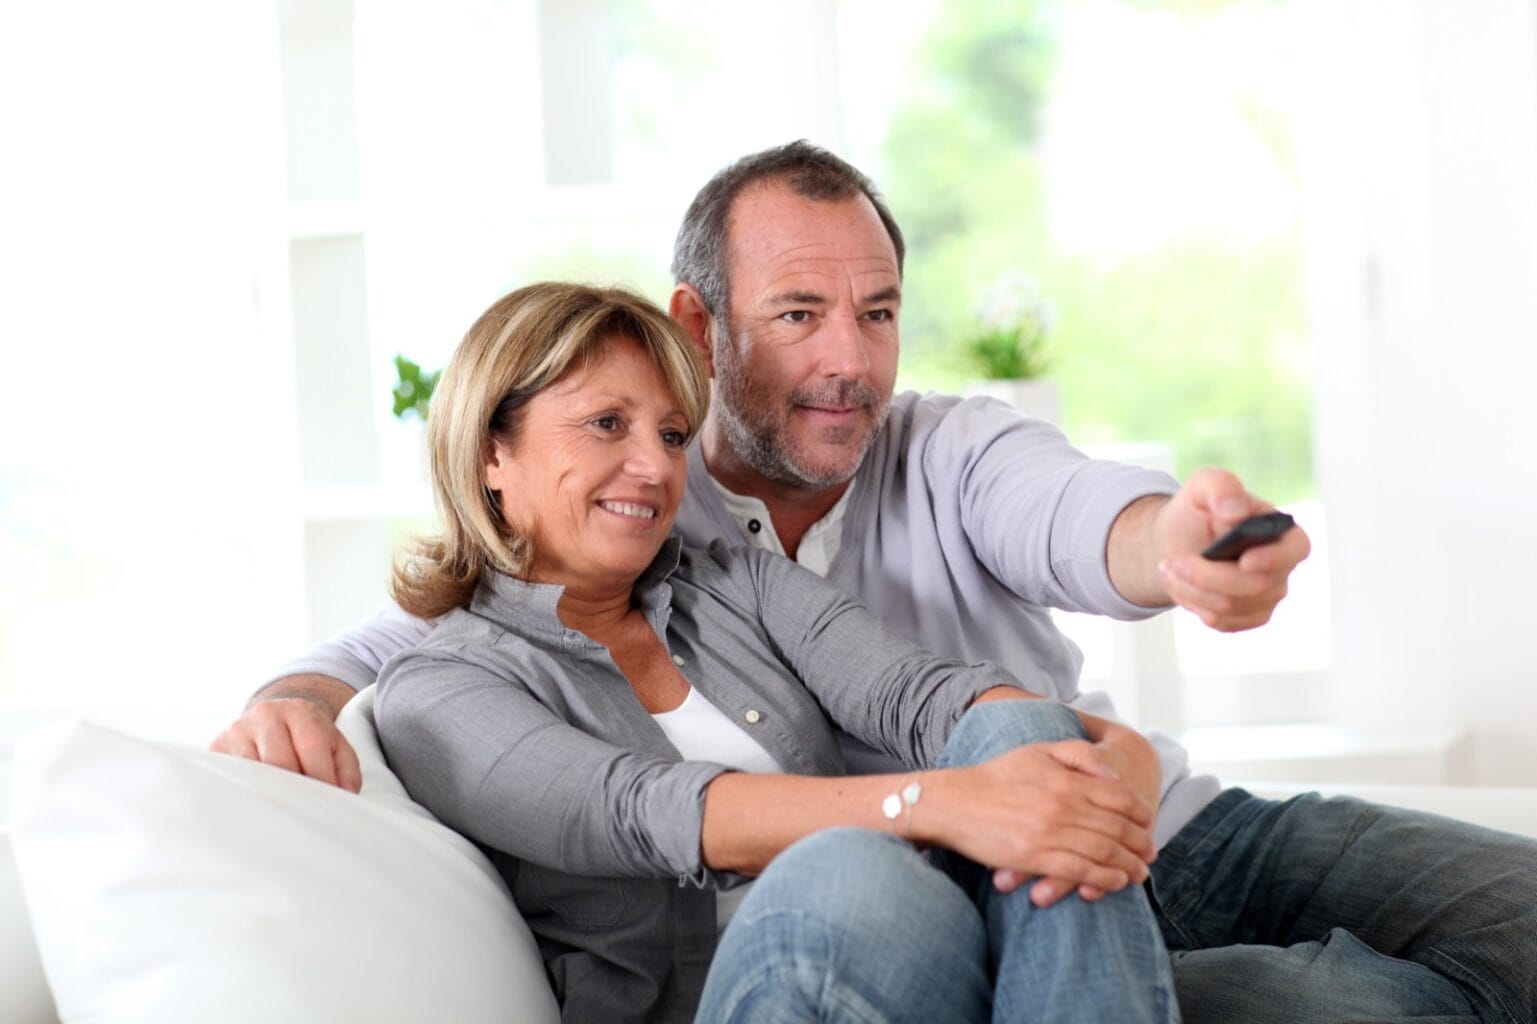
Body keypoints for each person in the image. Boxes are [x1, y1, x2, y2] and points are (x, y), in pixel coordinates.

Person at [215, 142, 1537, 1022]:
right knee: (857, 869)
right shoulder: (513, 622)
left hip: (1112, 841)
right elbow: (456, 671)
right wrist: (294, 694)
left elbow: (1057, 543)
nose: (850, 359)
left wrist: (1165, 567)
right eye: (799, 314)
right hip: (894, 904)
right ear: (702, 330)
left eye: (879, 312)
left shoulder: (747, 550)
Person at [371, 280, 1180, 1023]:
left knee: (1018, 735)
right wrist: (938, 804)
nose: (655, 466)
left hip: (910, 967)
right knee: (841, 870)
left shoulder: (735, 586)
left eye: (672, 434)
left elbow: (918, 693)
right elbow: (642, 810)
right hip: (750, 983)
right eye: (607, 424)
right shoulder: (437, 691)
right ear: (491, 452)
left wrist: (1102, 751)